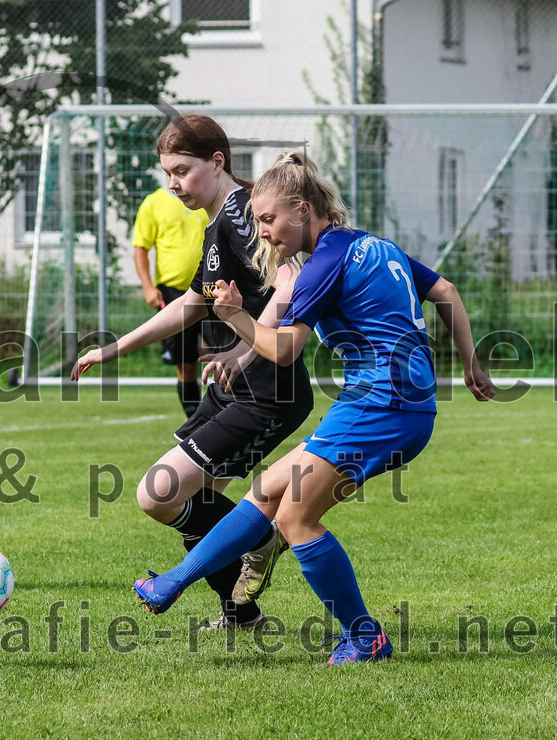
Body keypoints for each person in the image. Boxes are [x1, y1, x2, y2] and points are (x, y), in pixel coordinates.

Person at [132, 151, 494, 664]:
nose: (264, 233)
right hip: (400, 404)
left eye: (268, 219)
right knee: (267, 491)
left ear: (302, 209)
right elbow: (446, 290)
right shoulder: (373, 245)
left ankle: (365, 637)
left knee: (297, 520)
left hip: (381, 404)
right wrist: (470, 362)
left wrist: (234, 316)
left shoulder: (326, 260)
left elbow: (282, 350)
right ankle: (171, 584)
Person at [73, 116, 313, 630]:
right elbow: (194, 303)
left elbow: (291, 279)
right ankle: (240, 613)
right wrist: (115, 348)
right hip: (238, 387)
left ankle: (263, 537)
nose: (175, 184)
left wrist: (247, 352)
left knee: (157, 493)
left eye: (183, 170)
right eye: (168, 174)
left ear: (217, 161)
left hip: (268, 391)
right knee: (190, 497)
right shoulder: (221, 218)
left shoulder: (245, 212)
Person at [132, 186, 208, 417]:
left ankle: (227, 411)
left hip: (214, 288)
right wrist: (148, 287)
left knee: (226, 352)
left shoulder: (207, 196)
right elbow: (140, 248)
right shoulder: (154, 202)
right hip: (173, 293)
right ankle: (194, 417)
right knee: (185, 361)